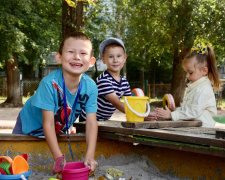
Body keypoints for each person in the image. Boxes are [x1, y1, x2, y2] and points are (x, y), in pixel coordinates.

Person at [12, 32, 98, 174]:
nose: (77, 57)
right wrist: (58, 157)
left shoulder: (91, 87)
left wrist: (90, 155)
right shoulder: (49, 83)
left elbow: (91, 123)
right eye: (71, 52)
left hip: (56, 128)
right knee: (16, 163)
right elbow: (48, 123)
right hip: (30, 122)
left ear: (91, 61)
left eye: (83, 53)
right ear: (59, 57)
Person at [155, 44, 221, 128]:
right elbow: (186, 109)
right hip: (192, 127)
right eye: (186, 72)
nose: (187, 76)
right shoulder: (195, 88)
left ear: (204, 71)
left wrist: (172, 115)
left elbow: (193, 112)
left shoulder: (203, 89)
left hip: (202, 130)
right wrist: (172, 112)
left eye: (190, 72)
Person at [79, 37, 132, 121]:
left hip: (102, 119)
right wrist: (139, 114)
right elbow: (116, 103)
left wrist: (143, 111)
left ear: (124, 58)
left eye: (119, 56)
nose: (115, 60)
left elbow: (131, 103)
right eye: (111, 57)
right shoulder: (104, 80)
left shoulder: (124, 82)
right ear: (103, 60)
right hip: (89, 118)